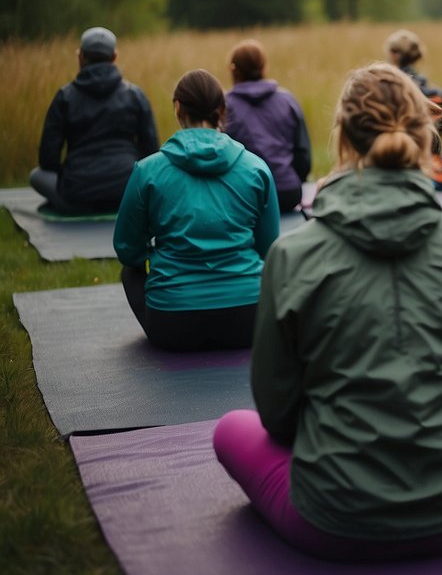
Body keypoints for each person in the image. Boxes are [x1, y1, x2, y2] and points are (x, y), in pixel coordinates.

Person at [212, 63, 442, 561]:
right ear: (423, 136)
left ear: (343, 138)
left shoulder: (290, 256)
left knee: (230, 430)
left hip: (333, 521)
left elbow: (278, 417)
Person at [113, 70, 278, 351]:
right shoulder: (257, 168)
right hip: (247, 321)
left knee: (130, 272)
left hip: (173, 325)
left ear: (177, 108)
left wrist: (162, 258)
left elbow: (128, 250)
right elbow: (269, 249)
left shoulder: (148, 171)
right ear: (222, 110)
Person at [31, 26, 159, 214]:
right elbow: (152, 153)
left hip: (78, 195)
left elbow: (48, 159)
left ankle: (70, 205)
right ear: (114, 57)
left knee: (37, 176)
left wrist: (73, 176)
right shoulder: (135, 95)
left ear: (80, 56)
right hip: (127, 195)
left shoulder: (64, 97)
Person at [224, 39, 312, 213]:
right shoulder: (287, 101)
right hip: (288, 192)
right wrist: (295, 179)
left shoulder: (224, 106)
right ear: (264, 66)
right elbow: (303, 155)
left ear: (234, 70)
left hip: (244, 196)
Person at [387, 29, 442, 189]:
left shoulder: (389, 92)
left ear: (395, 56)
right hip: (437, 173)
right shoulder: (438, 94)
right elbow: (437, 139)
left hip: (403, 172)